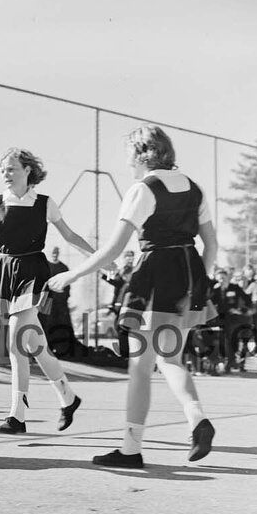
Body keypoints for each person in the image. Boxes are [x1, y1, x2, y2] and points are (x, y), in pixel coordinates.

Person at [48, 125, 217, 468]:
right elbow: (211, 245)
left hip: (156, 276)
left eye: (129, 158)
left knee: (141, 367)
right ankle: (197, 418)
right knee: (170, 360)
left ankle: (131, 449)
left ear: (142, 155)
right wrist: (199, 285)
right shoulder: (195, 188)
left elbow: (113, 249)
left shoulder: (143, 189)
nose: (128, 165)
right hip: (190, 273)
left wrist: (72, 274)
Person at [0, 147, 96, 434]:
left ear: (28, 170)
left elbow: (70, 236)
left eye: (12, 168)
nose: (6, 174)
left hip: (33, 271)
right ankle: (68, 397)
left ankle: (18, 415)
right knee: (35, 345)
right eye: (3, 169)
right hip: (6, 272)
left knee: (15, 341)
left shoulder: (45, 203)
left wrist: (98, 257)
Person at [210, 267, 253, 373]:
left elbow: (248, 300)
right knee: (222, 341)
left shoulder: (234, 287)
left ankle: (231, 362)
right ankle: (225, 361)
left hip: (233, 319)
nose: (221, 280)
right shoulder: (215, 290)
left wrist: (241, 310)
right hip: (220, 319)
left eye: (223, 278)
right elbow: (210, 302)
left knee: (231, 340)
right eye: (219, 279)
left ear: (227, 278)